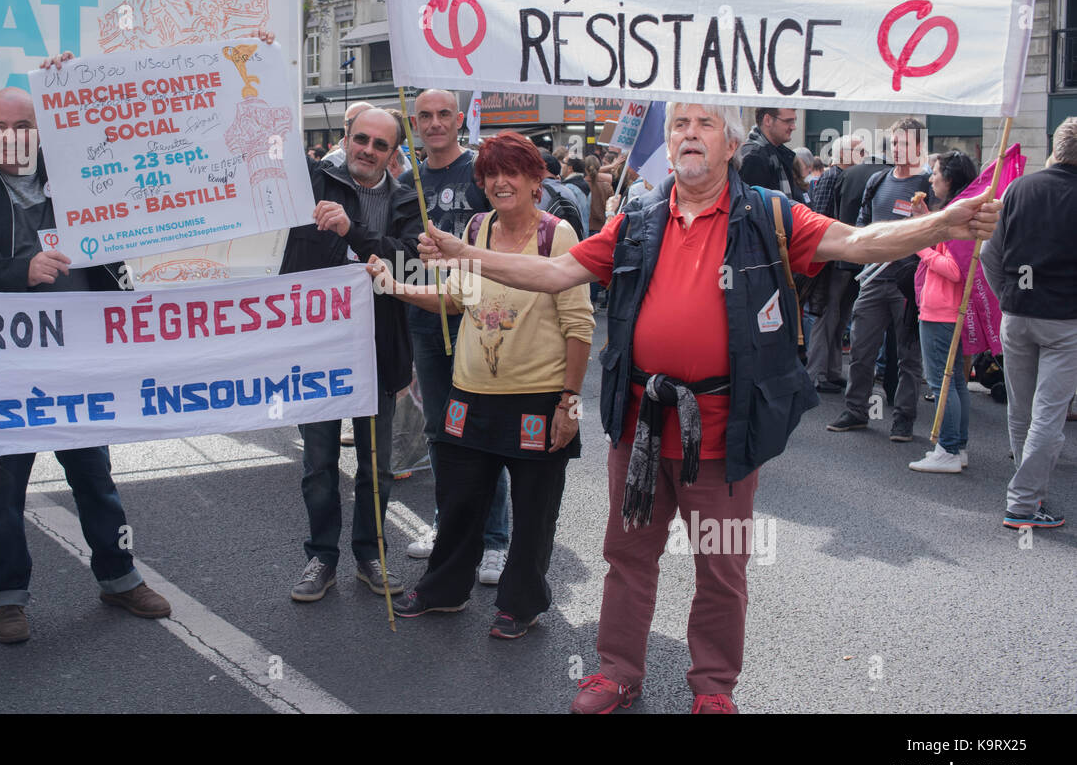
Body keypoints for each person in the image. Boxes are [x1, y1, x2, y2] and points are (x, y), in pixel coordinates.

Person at [416, 102, 1000, 713]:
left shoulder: (768, 213)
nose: (688, 134)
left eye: (704, 125)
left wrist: (945, 225)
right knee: (627, 557)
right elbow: (557, 271)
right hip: (640, 425)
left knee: (720, 567)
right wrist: (467, 254)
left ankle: (714, 688)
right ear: (669, 145)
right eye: (680, 126)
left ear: (730, 145)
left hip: (725, 429)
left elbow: (856, 241)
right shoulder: (637, 218)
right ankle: (616, 673)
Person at [0, 66, 171, 645]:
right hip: (5, 362)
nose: (9, 136)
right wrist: (20, 271)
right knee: (5, 487)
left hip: (76, 359)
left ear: (42, 130)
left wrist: (78, 78)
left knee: (94, 474)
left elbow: (142, 140)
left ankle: (119, 576)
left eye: (23, 125)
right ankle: (8, 598)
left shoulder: (77, 174)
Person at [370, 131, 593, 639]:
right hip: (469, 394)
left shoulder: (557, 236)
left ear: (537, 179)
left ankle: (521, 603)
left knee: (534, 512)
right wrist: (395, 286)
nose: (499, 182)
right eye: (490, 174)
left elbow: (580, 326)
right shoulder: (474, 227)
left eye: (511, 172)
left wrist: (570, 405)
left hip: (538, 399)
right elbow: (455, 300)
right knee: (459, 500)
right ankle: (442, 591)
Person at [282, 107, 423, 601]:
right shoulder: (310, 181)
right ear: (345, 137)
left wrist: (352, 232)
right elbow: (255, 147)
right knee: (318, 463)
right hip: (316, 352)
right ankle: (320, 557)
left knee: (377, 465)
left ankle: (370, 554)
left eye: (380, 144)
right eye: (360, 138)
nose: (367, 149)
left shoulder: (407, 200)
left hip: (379, 351)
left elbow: (410, 265)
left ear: (392, 153)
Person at [403, 89, 510, 585]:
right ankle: (449, 525)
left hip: (480, 323)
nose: (435, 122)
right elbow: (396, 247)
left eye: (444, 114)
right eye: (425, 115)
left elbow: (509, 235)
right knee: (440, 433)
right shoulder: (408, 181)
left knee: (484, 432)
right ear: (415, 123)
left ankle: (494, 540)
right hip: (429, 322)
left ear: (460, 119)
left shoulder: (480, 173)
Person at [981, 117, 1077, 528]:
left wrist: (1005, 294)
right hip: (1064, 322)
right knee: (1047, 417)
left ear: (1055, 148)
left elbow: (988, 253)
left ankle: (1030, 496)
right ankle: (1023, 502)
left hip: (1017, 313)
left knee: (1022, 412)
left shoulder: (1018, 188)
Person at [827, 117, 934, 442]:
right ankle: (856, 411)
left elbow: (938, 235)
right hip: (873, 280)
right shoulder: (878, 180)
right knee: (861, 349)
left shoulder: (928, 186)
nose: (897, 150)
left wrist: (926, 218)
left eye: (904, 144)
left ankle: (903, 419)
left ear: (918, 146)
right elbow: (862, 224)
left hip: (907, 284)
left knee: (908, 357)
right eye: (894, 143)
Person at [909, 151, 979, 473]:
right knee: (955, 383)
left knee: (942, 383)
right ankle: (957, 447)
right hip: (949, 310)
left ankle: (948, 450)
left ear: (949, 179)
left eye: (935, 173)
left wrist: (919, 246)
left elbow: (953, 269)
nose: (931, 178)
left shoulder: (955, 214)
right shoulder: (958, 211)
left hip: (941, 311)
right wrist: (925, 219)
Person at [806, 134, 866, 393]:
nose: (863, 156)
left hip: (844, 259)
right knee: (828, 315)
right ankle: (815, 374)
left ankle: (830, 371)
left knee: (838, 316)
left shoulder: (845, 176)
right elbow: (819, 218)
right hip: (832, 261)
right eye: (858, 151)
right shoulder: (832, 176)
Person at [739, 108, 805, 204]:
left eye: (794, 121)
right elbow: (750, 209)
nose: (793, 127)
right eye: (788, 121)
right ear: (768, 120)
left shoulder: (777, 154)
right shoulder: (754, 158)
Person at [321, 102, 375, 168]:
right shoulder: (329, 162)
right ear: (344, 125)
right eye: (350, 122)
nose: (356, 125)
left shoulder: (386, 159)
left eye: (362, 120)